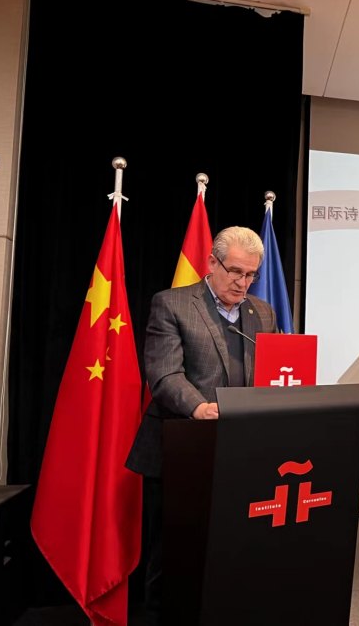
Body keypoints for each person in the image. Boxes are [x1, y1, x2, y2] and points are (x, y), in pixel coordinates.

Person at [126, 225, 278, 620]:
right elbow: (163, 376)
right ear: (212, 262)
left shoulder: (261, 312)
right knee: (172, 558)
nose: (243, 283)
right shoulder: (172, 304)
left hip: (240, 454)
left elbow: (273, 370)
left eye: (251, 275)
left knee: (229, 553)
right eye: (235, 272)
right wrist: (201, 408)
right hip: (180, 452)